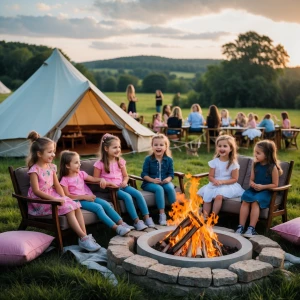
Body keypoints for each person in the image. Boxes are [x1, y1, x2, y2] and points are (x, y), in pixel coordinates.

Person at [26, 131, 100, 252]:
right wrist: (55, 199)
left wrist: (64, 197)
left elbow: (57, 185)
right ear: (39, 154)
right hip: (40, 202)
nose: (53, 154)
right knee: (69, 209)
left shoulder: (51, 167)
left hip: (53, 196)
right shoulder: (34, 170)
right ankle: (83, 237)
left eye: (53, 151)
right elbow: (36, 191)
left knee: (75, 205)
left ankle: (85, 238)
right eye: (49, 152)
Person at [59, 150, 131, 237]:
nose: (79, 164)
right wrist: (85, 198)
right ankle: (116, 228)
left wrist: (102, 179)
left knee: (106, 204)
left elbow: (93, 179)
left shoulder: (81, 174)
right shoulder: (64, 180)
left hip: (90, 197)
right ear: (67, 165)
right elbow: (68, 196)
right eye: (76, 163)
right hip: (79, 201)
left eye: (79, 162)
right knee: (98, 207)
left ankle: (122, 223)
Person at [93, 134, 155, 230]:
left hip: (123, 186)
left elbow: (125, 176)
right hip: (112, 189)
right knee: (127, 197)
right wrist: (103, 181)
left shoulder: (120, 161)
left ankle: (147, 218)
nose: (118, 149)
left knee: (138, 194)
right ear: (106, 148)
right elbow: (95, 179)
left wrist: (125, 181)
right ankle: (136, 221)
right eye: (114, 147)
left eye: (119, 147)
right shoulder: (99, 164)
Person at [235, 140, 282, 237]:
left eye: (258, 153)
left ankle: (251, 228)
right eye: (255, 152)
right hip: (254, 190)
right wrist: (252, 184)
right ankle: (241, 226)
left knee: (256, 201)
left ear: (267, 154)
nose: (255, 155)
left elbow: (275, 184)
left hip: (266, 192)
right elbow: (251, 179)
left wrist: (262, 187)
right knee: (245, 200)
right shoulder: (255, 164)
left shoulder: (272, 167)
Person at [197, 135, 244, 217]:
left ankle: (213, 217)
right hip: (214, 184)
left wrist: (222, 182)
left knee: (219, 196)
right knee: (207, 195)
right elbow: (210, 176)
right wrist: (214, 181)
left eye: (225, 146)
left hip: (228, 185)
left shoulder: (233, 164)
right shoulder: (214, 162)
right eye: (219, 146)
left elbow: (234, 179)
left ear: (231, 149)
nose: (222, 148)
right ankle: (205, 217)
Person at [141, 134, 176, 225]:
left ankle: (176, 213)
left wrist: (168, 179)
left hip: (164, 181)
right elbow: (144, 174)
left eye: (161, 145)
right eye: (155, 145)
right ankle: (162, 215)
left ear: (165, 147)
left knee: (170, 188)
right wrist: (152, 180)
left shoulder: (169, 160)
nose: (158, 147)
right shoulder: (148, 159)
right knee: (159, 189)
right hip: (149, 183)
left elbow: (171, 174)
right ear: (152, 146)